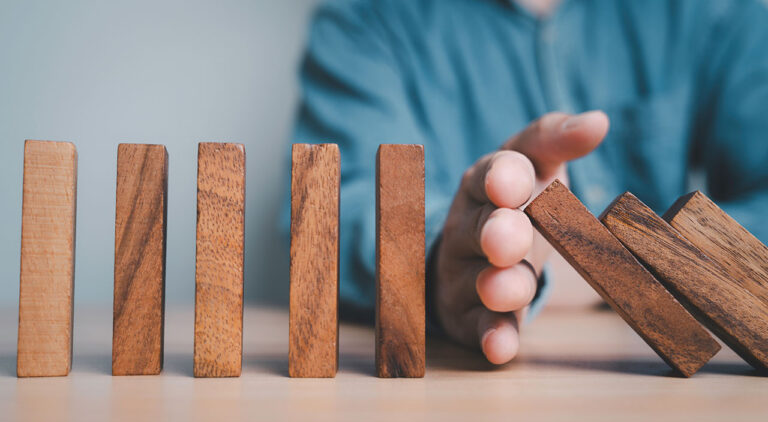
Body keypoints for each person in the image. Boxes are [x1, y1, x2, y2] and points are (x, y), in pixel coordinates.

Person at [287, 0, 768, 365]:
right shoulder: (365, 18)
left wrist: (587, 268)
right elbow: (334, 213)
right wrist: (436, 260)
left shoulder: (720, 10)